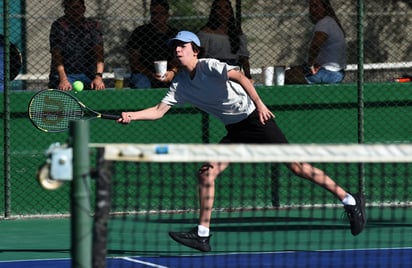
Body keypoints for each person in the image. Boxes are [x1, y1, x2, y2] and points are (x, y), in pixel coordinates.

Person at [117, 31, 366, 252]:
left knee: (297, 167)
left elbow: (241, 77)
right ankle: (202, 235)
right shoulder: (180, 84)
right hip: (235, 131)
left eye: (183, 45)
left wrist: (260, 104)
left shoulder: (209, 66)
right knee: (206, 173)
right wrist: (132, 115)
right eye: (175, 46)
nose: (178, 49)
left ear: (195, 50)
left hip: (256, 120)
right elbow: (159, 111)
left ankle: (350, 200)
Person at [285, 0, 346, 84]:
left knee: (283, 76)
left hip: (327, 73)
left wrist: (310, 65)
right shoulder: (329, 22)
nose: (312, 10)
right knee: (292, 71)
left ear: (325, 8)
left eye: (316, 6)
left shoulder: (324, 23)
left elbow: (315, 45)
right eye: (311, 6)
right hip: (335, 72)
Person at [48, 0, 105, 91]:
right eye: (71, 8)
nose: (75, 11)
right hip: (65, 74)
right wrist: (63, 79)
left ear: (84, 8)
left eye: (77, 7)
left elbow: (99, 54)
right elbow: (56, 55)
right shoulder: (58, 26)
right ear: (65, 11)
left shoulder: (93, 26)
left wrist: (98, 77)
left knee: (97, 92)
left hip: (88, 74)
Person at [126, 0, 178, 89]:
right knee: (142, 83)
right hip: (144, 73)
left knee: (182, 80)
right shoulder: (140, 32)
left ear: (167, 15)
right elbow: (134, 61)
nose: (157, 17)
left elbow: (178, 60)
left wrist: (172, 72)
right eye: (154, 13)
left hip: (169, 72)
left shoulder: (174, 34)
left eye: (161, 13)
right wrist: (151, 74)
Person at [197, 0, 252, 79]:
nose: (223, 11)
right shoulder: (205, 33)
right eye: (219, 8)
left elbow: (244, 58)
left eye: (226, 8)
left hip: (234, 72)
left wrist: (248, 76)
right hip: (213, 72)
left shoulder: (237, 33)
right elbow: (201, 57)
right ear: (213, 11)